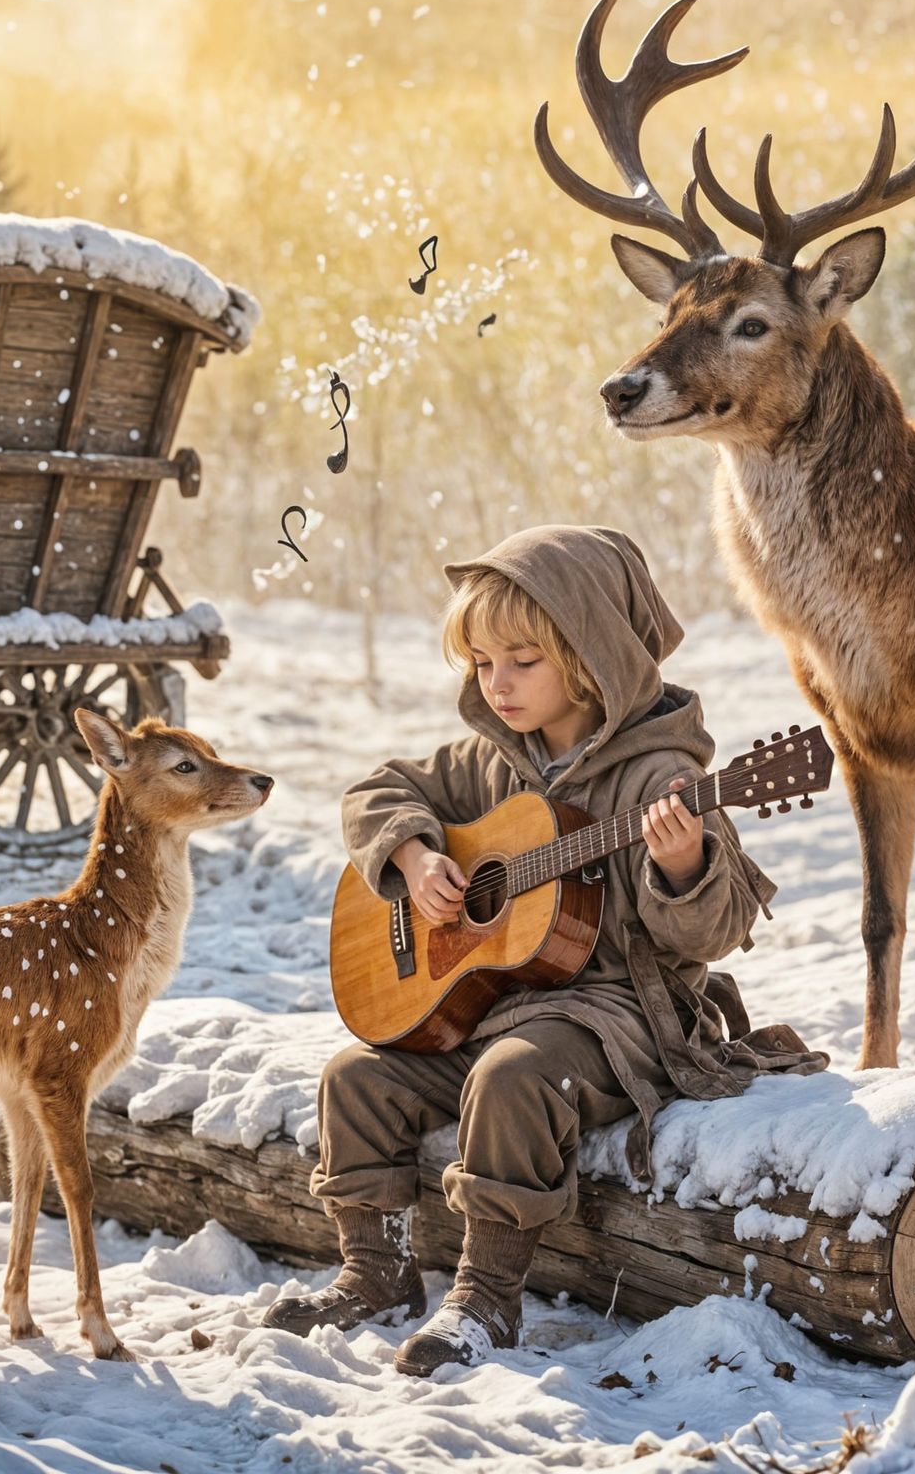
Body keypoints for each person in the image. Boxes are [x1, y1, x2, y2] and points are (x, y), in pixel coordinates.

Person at [261, 524, 826, 1374]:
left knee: (513, 1077)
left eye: (522, 661)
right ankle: (375, 1273)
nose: (498, 683)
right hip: (495, 1006)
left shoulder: (659, 778)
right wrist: (415, 856)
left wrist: (683, 866)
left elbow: (710, 934)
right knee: (357, 1078)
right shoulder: (491, 761)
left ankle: (486, 1298)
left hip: (615, 1018)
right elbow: (378, 789)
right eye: (483, 663)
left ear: (592, 656)